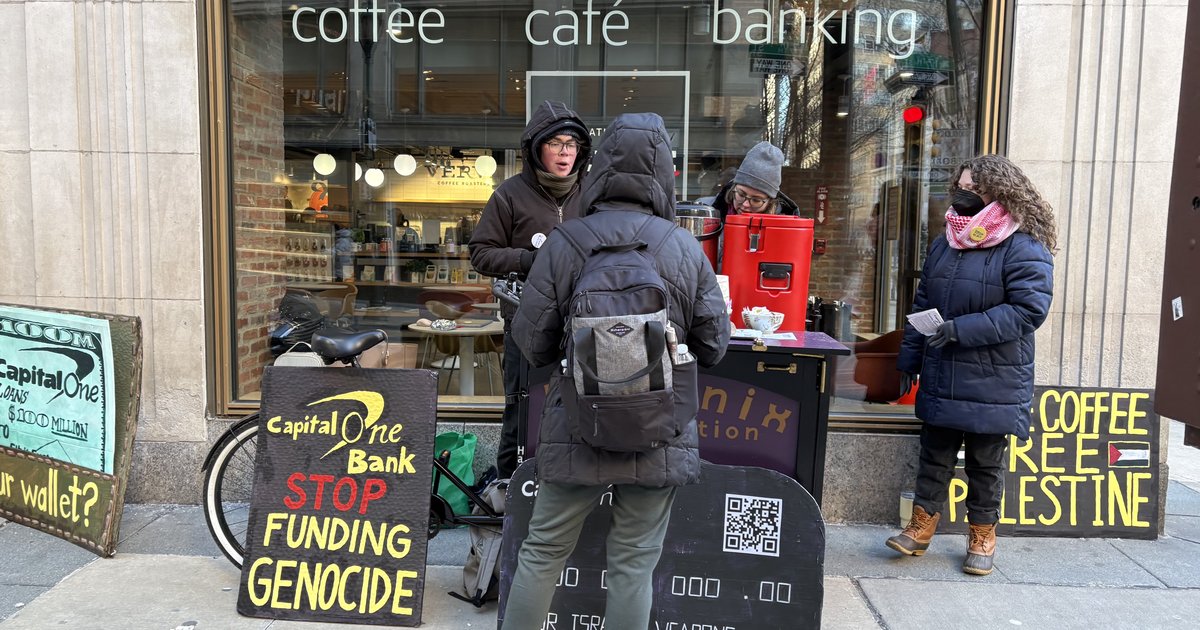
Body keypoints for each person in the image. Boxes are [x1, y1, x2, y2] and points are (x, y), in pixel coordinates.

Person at [503, 113, 731, 629]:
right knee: (634, 562)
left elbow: (534, 346)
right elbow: (715, 345)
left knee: (542, 553)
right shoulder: (682, 246)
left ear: (599, 167)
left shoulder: (566, 242)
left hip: (578, 424)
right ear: (665, 175)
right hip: (660, 425)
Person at [886, 154, 1057, 576]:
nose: (962, 194)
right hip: (943, 367)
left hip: (994, 373)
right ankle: (919, 528)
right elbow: (923, 303)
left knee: (985, 463)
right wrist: (909, 356)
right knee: (934, 455)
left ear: (997, 194)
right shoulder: (946, 241)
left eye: (973, 189)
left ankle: (982, 535)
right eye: (960, 186)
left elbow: (1028, 311)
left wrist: (960, 330)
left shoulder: (1023, 244)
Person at [469, 100, 591, 479]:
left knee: (577, 407)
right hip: (526, 322)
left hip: (582, 322)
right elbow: (480, 253)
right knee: (521, 409)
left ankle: (565, 484)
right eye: (556, 143)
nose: (565, 152)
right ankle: (510, 488)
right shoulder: (510, 194)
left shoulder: (592, 193)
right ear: (537, 147)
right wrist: (527, 260)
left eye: (571, 144)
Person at [709, 141, 800, 219]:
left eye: (756, 200)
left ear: (770, 202)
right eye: (741, 194)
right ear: (733, 188)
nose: (745, 205)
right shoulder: (706, 212)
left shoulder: (786, 230)